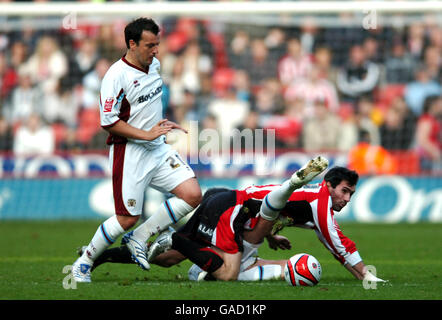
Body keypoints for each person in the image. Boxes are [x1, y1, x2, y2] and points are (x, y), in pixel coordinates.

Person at [71, 18, 202, 283]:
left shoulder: (155, 65)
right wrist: (145, 133)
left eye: (157, 44)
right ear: (132, 43)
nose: (155, 50)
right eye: (149, 45)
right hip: (130, 152)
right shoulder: (115, 76)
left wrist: (160, 123)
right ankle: (83, 263)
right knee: (126, 218)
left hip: (157, 148)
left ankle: (139, 239)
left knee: (192, 195)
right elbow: (108, 122)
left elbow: (147, 103)